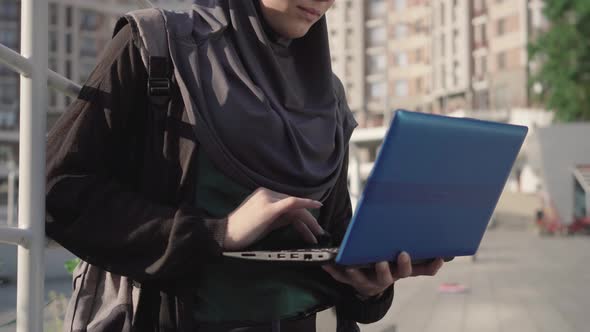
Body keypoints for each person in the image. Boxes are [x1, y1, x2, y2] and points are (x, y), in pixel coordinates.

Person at [45, 1, 445, 331]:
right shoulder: (157, 46)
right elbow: (56, 189)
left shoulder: (327, 95)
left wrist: (369, 285)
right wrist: (218, 232)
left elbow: (335, 241)